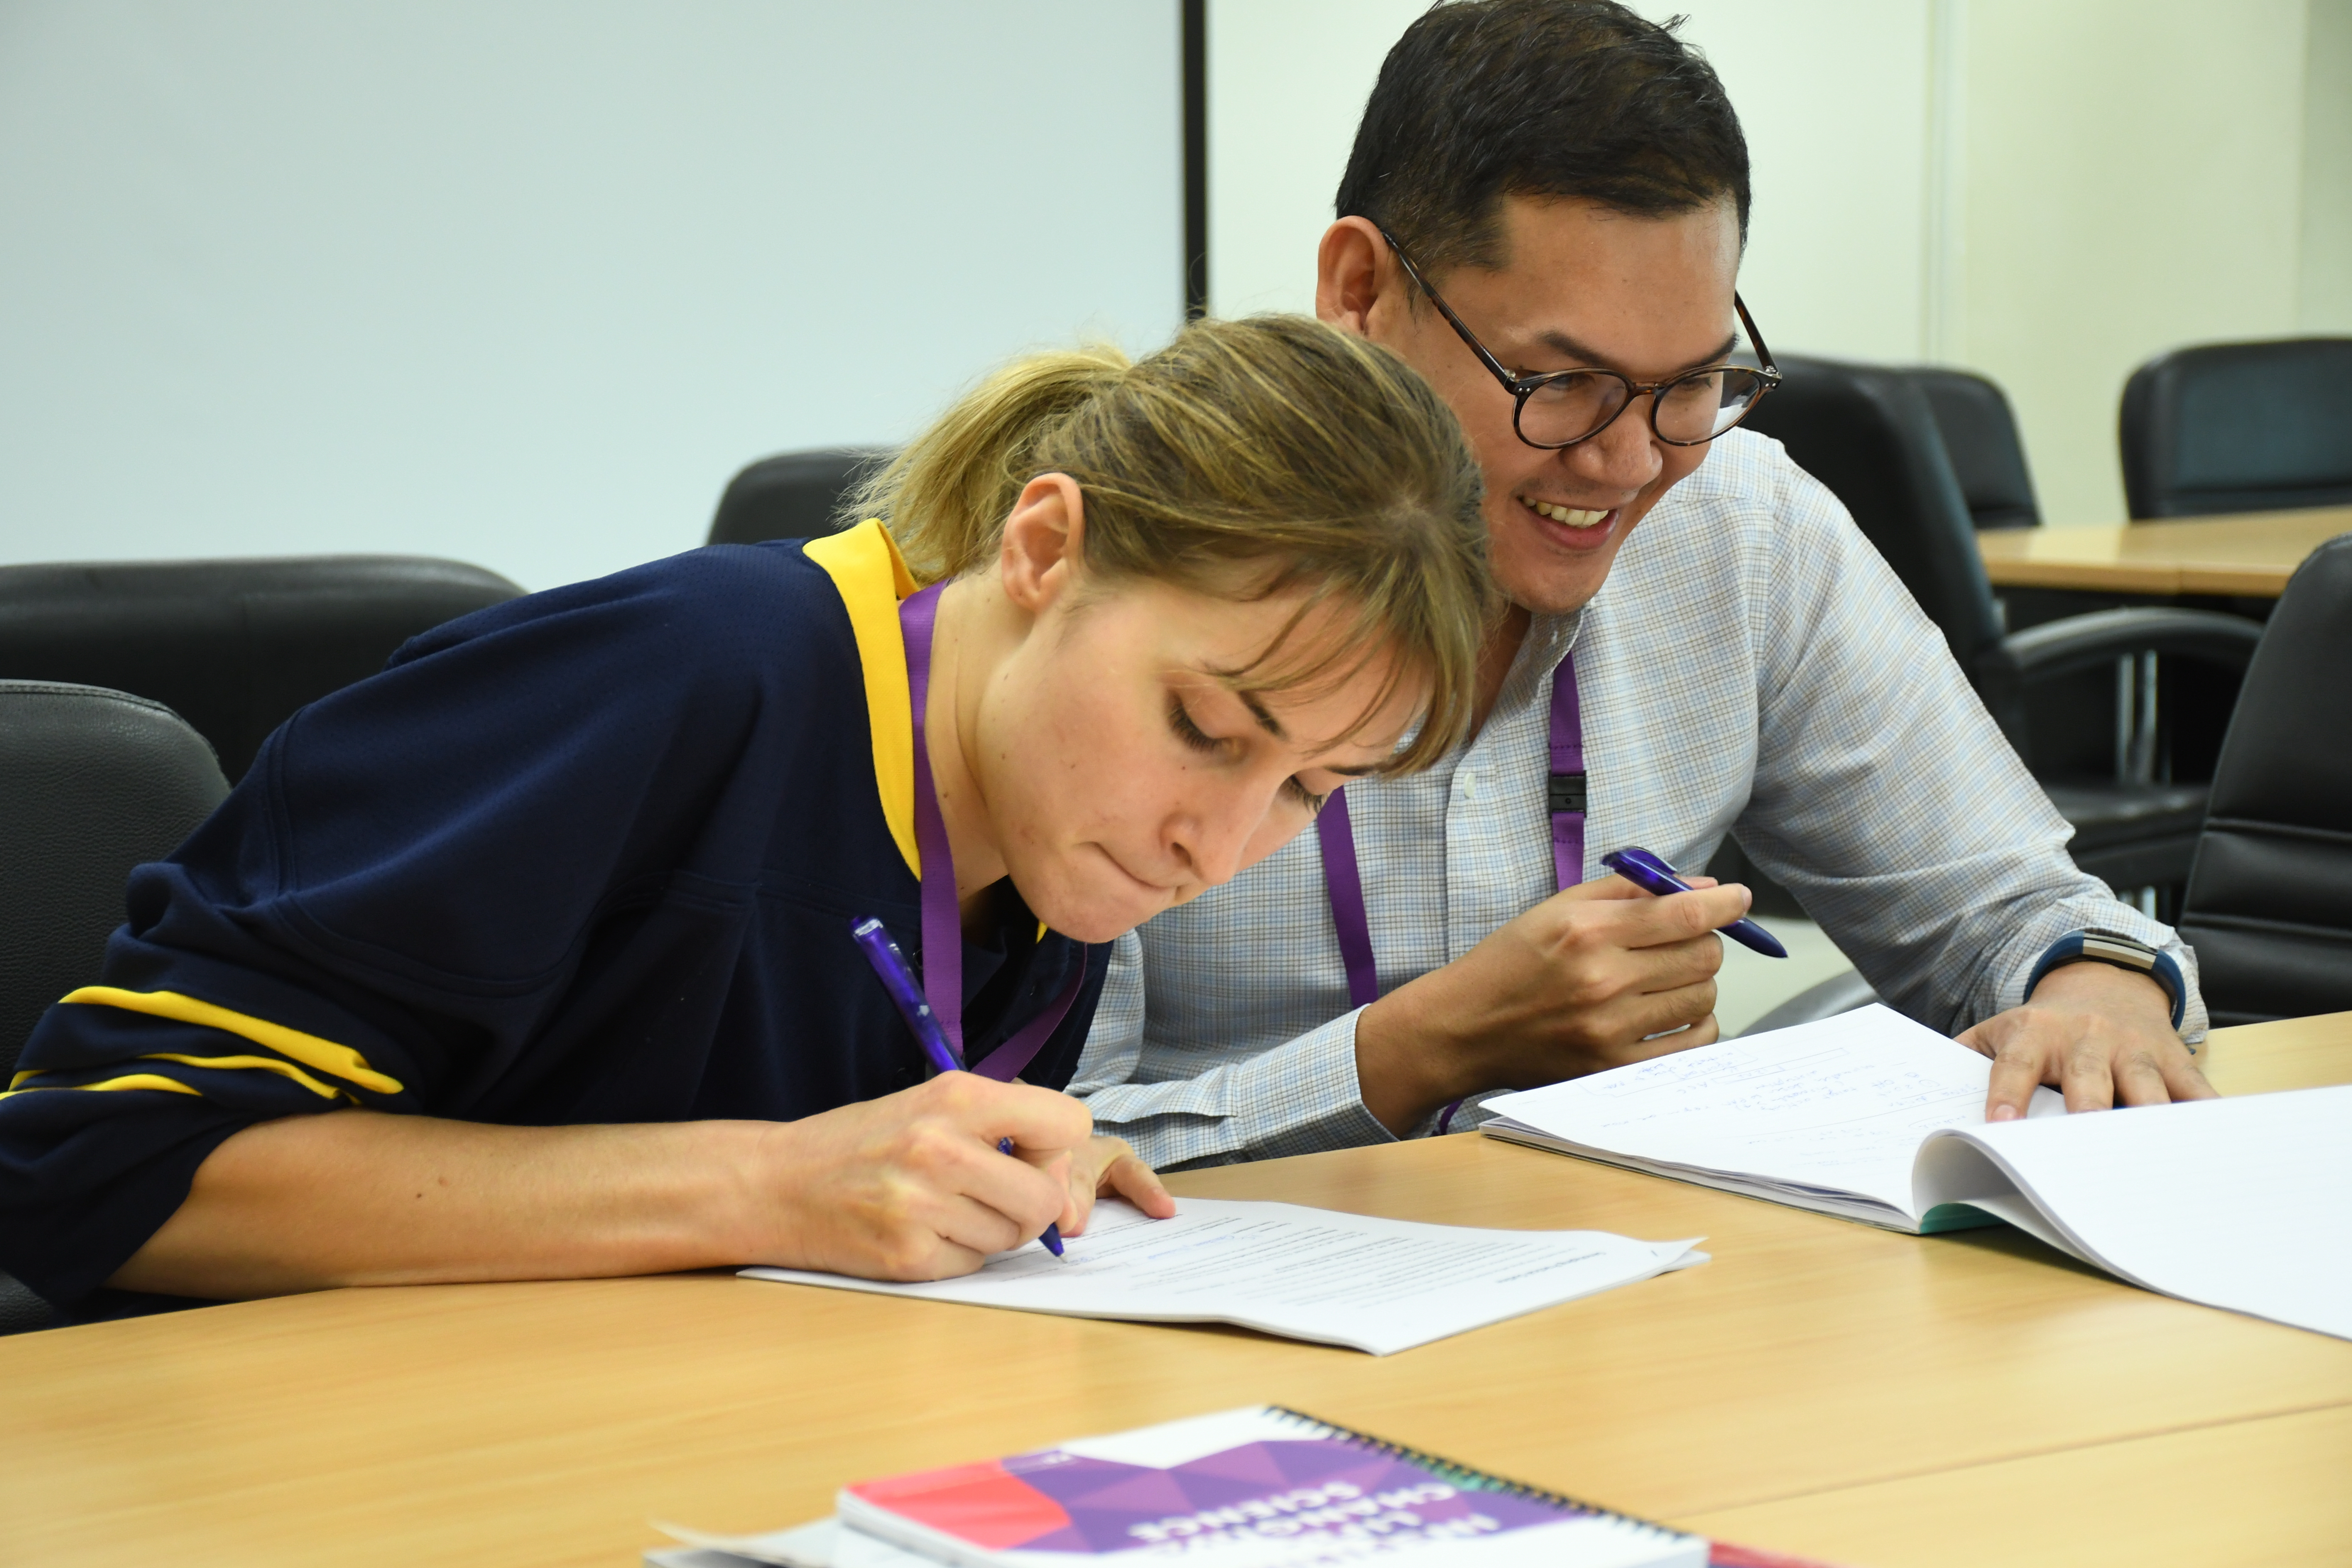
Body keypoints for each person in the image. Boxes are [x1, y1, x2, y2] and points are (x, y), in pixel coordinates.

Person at [0, 314, 1496, 1312]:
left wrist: (968, 1175)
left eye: (1307, 786)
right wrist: (775, 1185)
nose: (1217, 848)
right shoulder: (685, 682)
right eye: (1204, 729)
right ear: (1046, 546)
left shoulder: (1044, 821)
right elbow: (89, 1163)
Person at [1070, 0, 2215, 1169]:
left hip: (1633, 1301)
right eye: (1560, 382)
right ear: (1363, 290)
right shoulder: (1146, 572)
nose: (1626, 464)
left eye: (1691, 384)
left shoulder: (1742, 529)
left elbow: (2019, 909)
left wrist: (2099, 990)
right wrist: (1417, 1052)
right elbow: (1007, 1152)